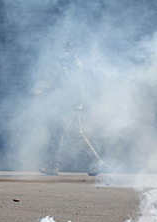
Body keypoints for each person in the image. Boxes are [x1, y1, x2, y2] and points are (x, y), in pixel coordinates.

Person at [34, 41, 107, 176]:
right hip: (68, 105)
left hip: (71, 105)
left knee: (57, 133)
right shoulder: (67, 66)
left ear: (74, 51)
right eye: (65, 49)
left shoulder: (76, 65)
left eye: (68, 50)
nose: (65, 52)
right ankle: (98, 162)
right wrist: (42, 91)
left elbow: (69, 81)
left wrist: (62, 67)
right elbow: (56, 82)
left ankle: (53, 166)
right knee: (77, 135)